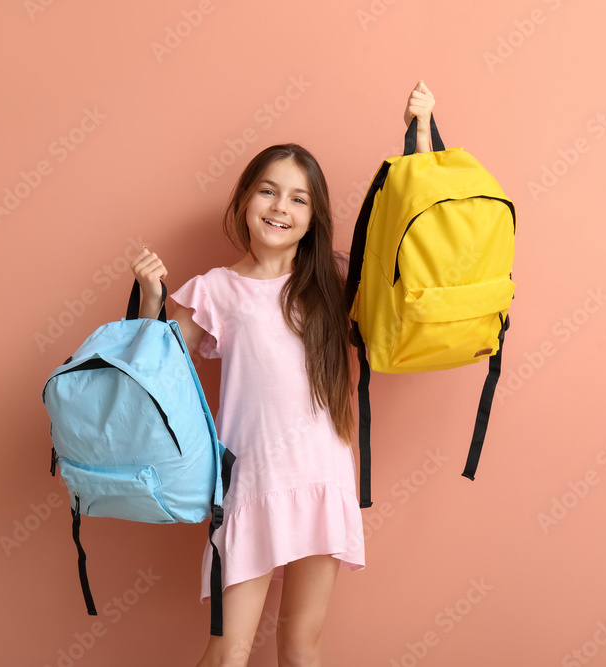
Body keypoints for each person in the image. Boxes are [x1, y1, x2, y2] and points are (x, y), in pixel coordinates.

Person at [131, 81, 436, 667]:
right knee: (230, 648)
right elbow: (156, 368)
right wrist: (151, 299)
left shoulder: (333, 282)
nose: (281, 207)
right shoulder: (214, 289)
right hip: (251, 482)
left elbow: (415, 244)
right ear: (245, 199)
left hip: (323, 476)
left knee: (302, 645)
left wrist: (419, 139)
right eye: (269, 191)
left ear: (313, 216)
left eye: (298, 199)